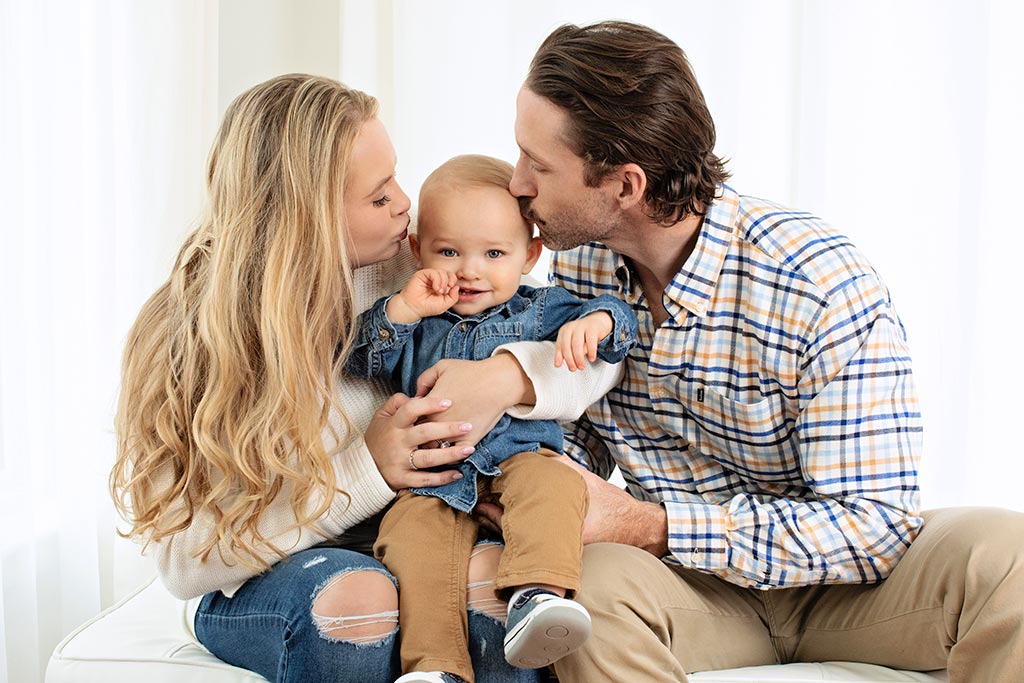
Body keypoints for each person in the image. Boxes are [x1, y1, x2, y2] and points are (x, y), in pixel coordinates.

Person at [481, 20, 1024, 683]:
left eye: (537, 163)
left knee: (1008, 554)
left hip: (848, 593)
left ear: (625, 185)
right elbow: (576, 438)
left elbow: (874, 527)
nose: (516, 183)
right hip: (697, 592)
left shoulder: (816, 282)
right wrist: (515, 471)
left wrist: (653, 524)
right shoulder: (581, 277)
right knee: (591, 589)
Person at [109, 74, 622, 683]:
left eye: (396, 179)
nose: (405, 205)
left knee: (492, 583)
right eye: (380, 198)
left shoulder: (421, 268)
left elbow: (582, 349)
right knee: (358, 598)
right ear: (308, 217)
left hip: (414, 532)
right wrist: (368, 472)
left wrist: (505, 378)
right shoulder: (191, 332)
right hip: (272, 579)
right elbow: (186, 565)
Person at [345, 154, 638, 683]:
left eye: (494, 252)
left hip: (523, 458)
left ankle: (538, 596)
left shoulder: (539, 308)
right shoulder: (415, 309)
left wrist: (594, 322)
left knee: (557, 489)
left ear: (529, 254)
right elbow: (361, 359)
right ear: (417, 250)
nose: (470, 269)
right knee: (410, 540)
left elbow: (621, 319)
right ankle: (433, 666)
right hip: (435, 479)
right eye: (449, 250)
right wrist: (404, 311)